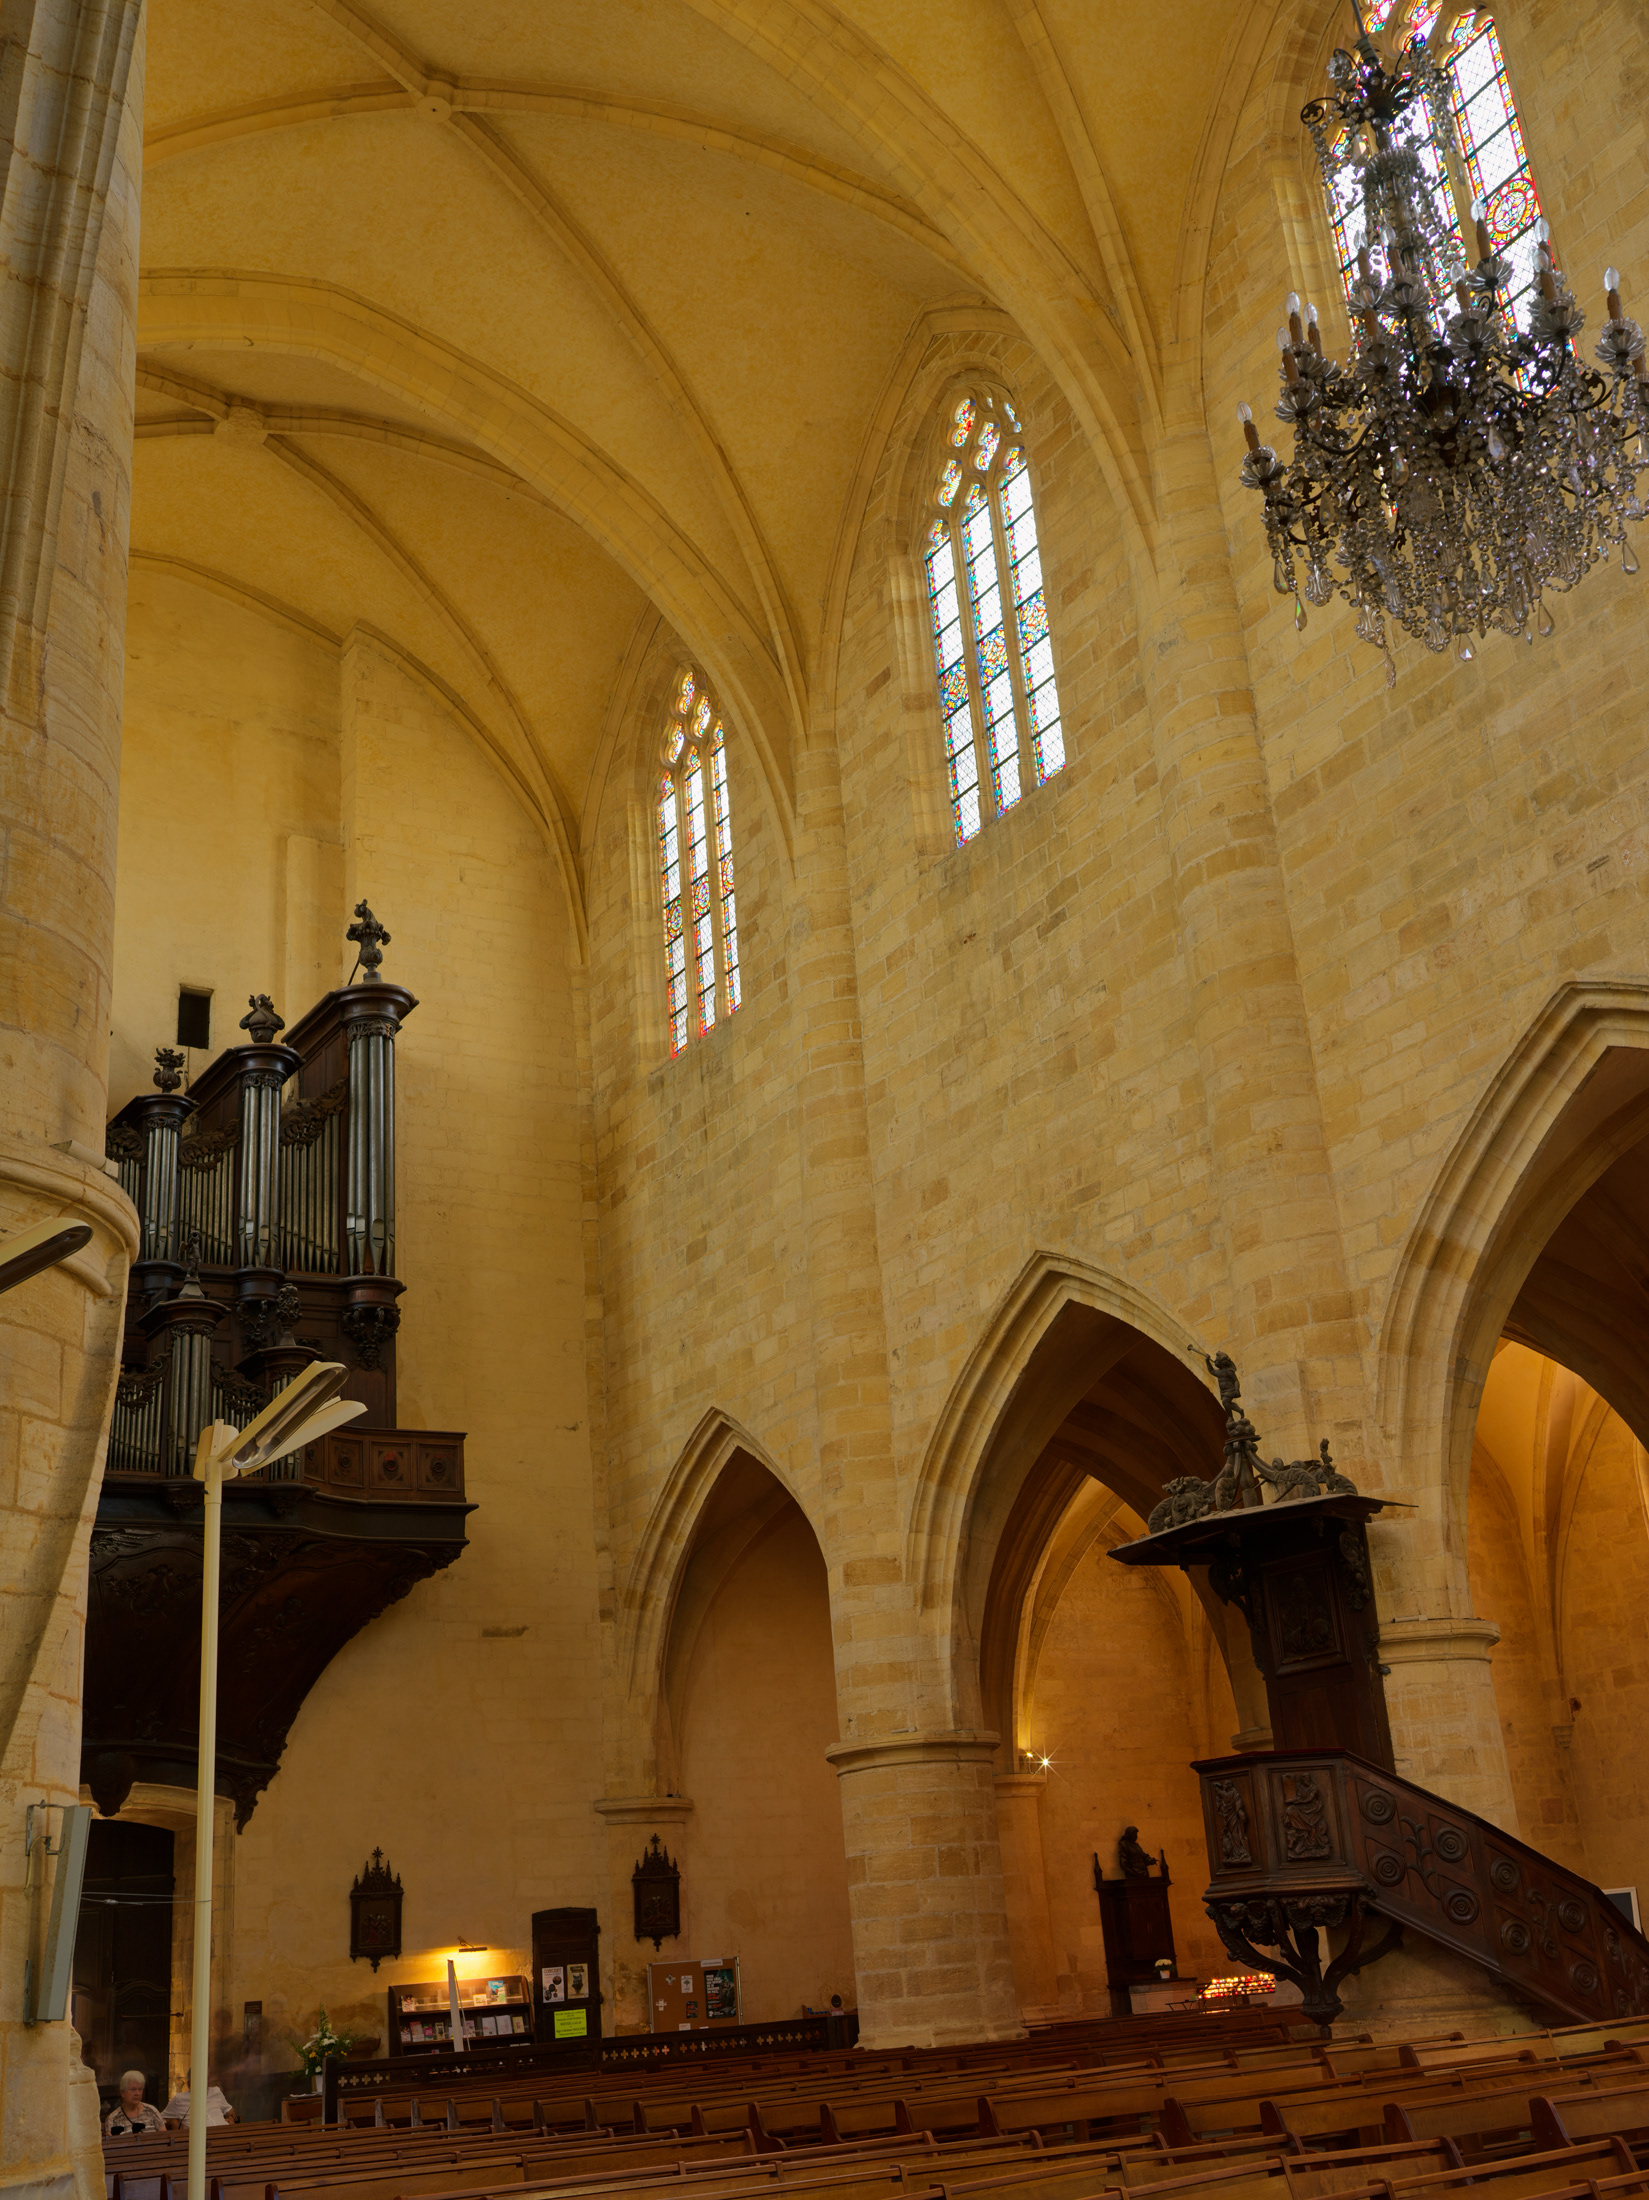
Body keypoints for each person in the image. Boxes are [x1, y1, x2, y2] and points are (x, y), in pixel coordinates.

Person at [161, 2070, 237, 2127]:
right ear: (189, 2084)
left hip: (223, 2132)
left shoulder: (216, 2091)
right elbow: (161, 2119)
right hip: (199, 2139)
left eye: (205, 2079)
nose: (202, 2083)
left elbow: (230, 2111)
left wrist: (231, 2118)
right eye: (198, 2080)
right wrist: (173, 2122)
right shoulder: (179, 2099)